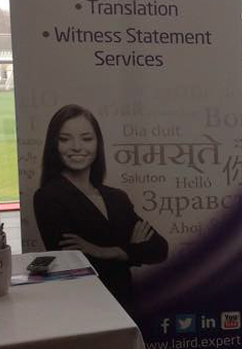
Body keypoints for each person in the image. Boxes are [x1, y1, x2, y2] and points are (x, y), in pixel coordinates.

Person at [33, 104, 168, 313]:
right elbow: (73, 262)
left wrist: (105, 251)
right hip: (84, 309)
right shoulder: (48, 197)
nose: (76, 147)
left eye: (86, 138)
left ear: (98, 144)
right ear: (54, 145)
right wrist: (130, 250)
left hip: (126, 307)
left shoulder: (117, 198)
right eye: (65, 139)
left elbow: (160, 248)